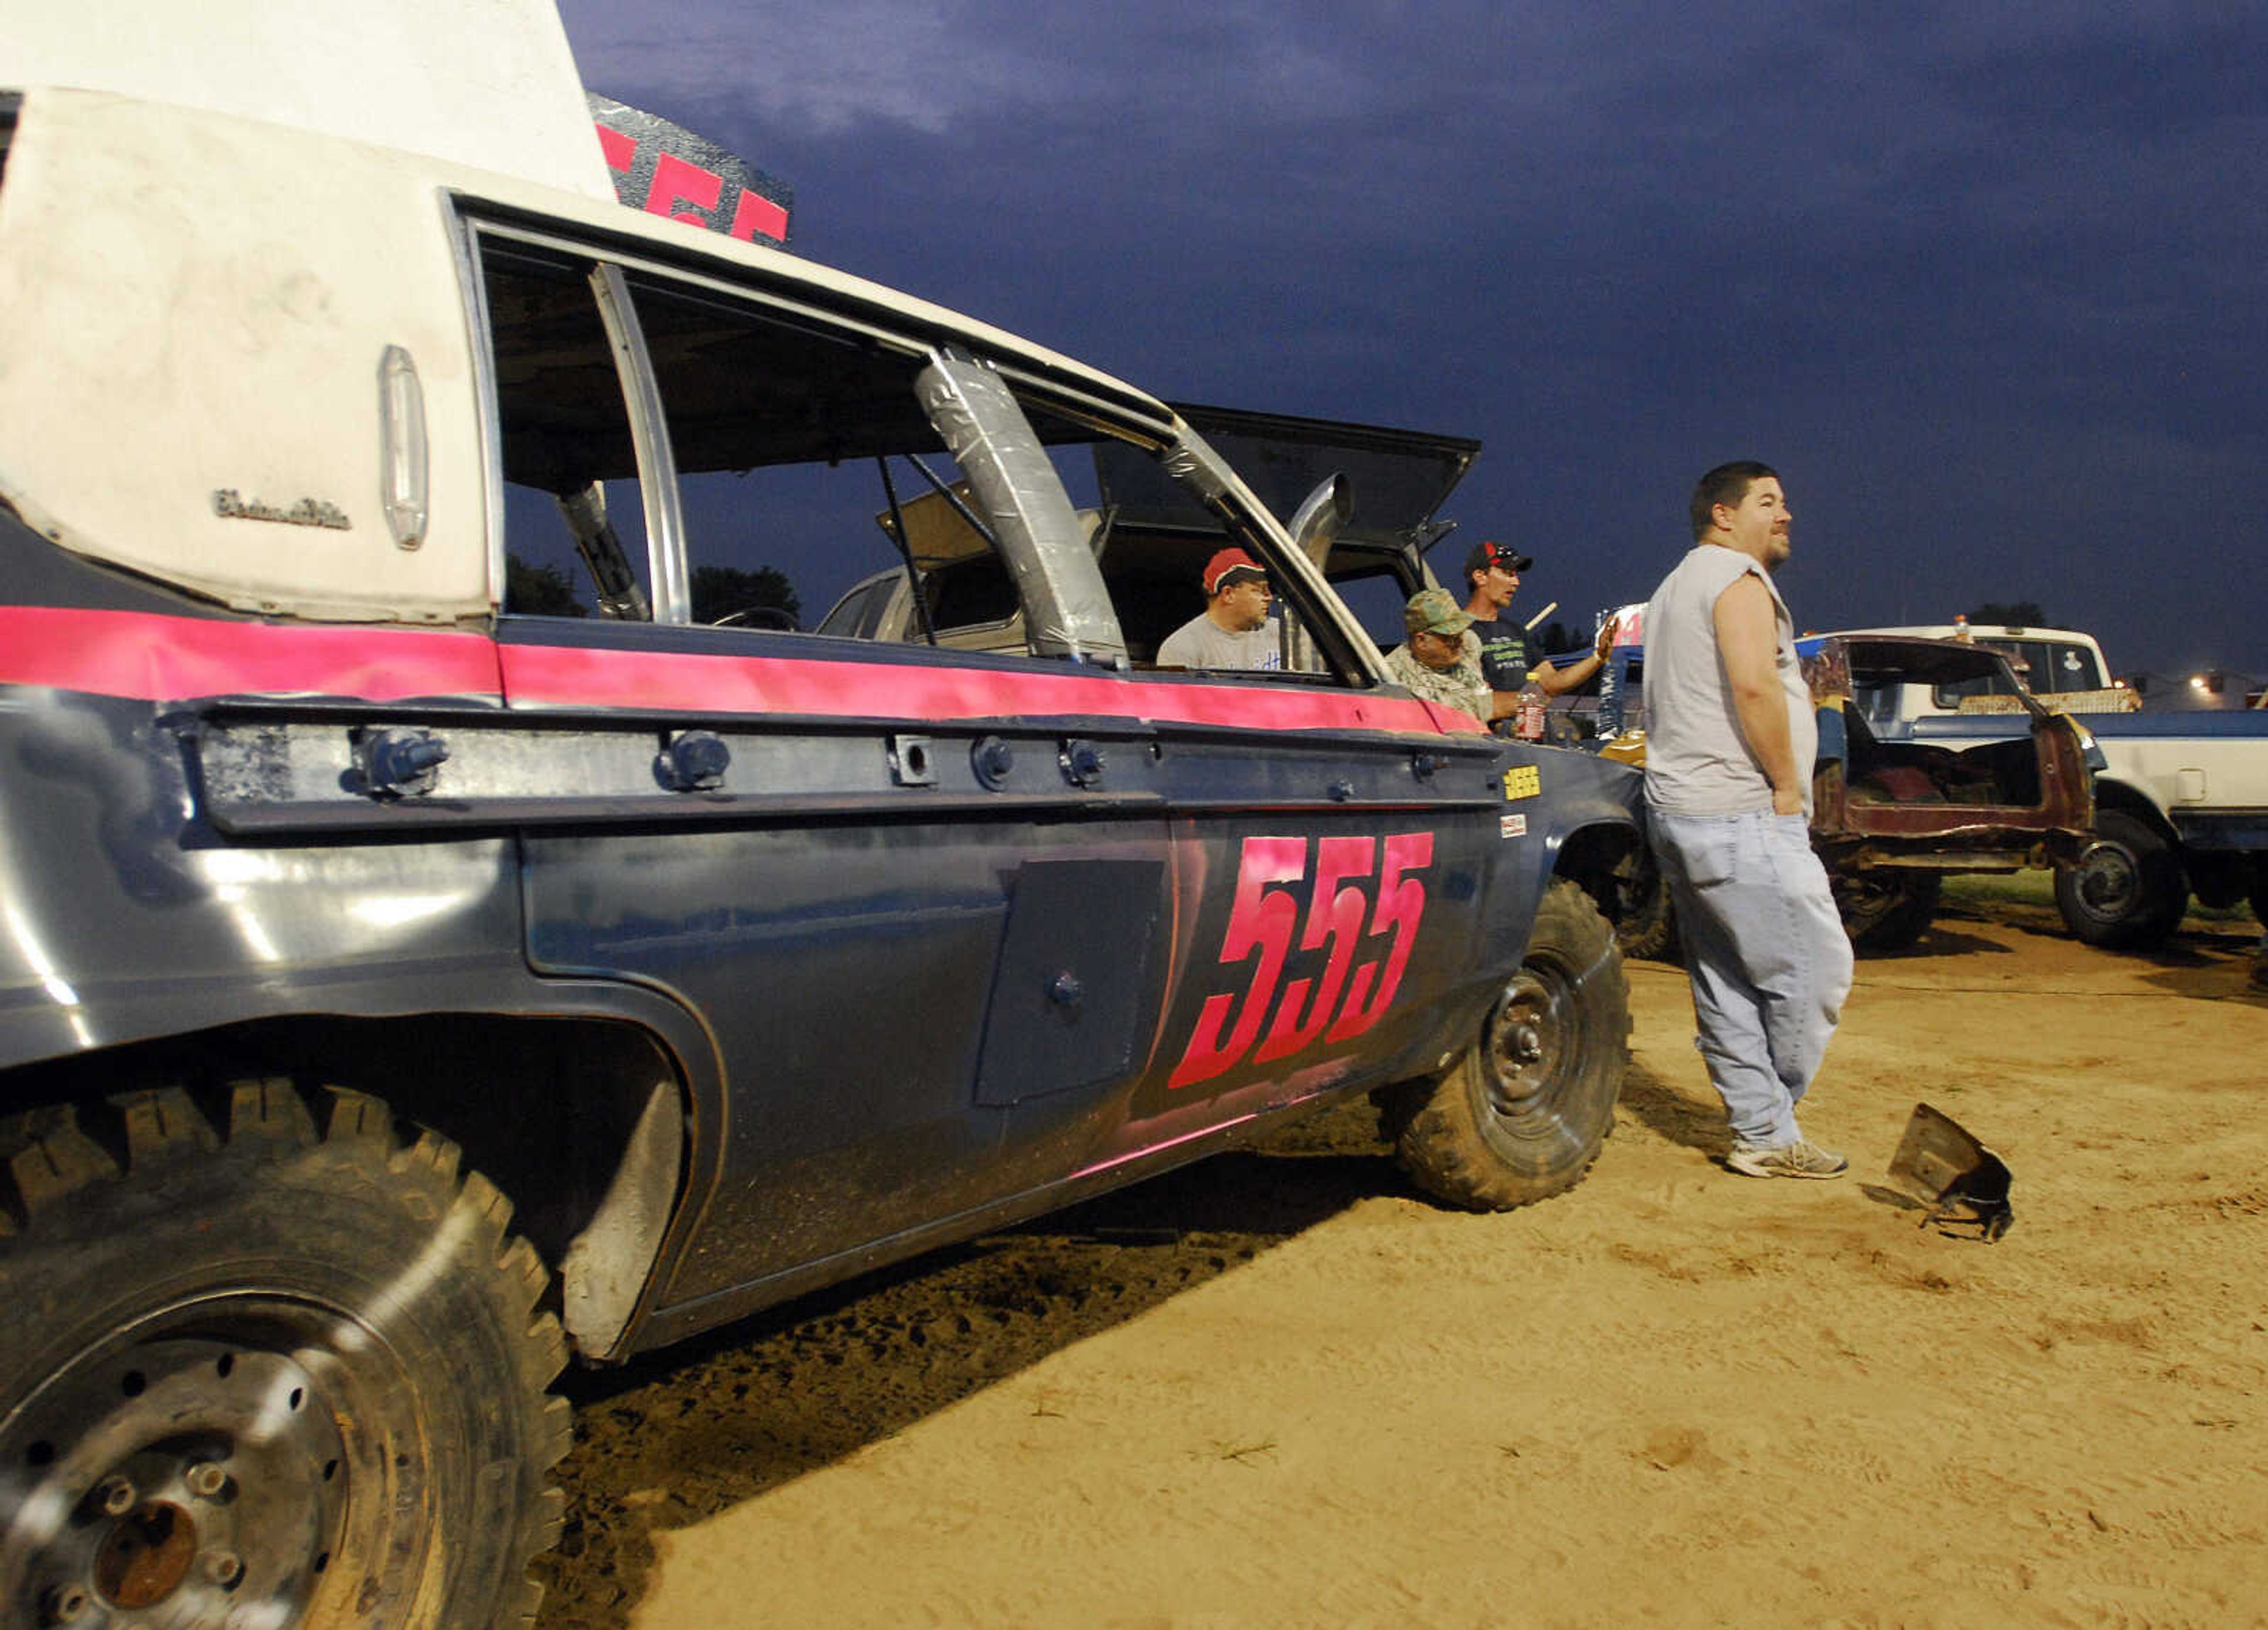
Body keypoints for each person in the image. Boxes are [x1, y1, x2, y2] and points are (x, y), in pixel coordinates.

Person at [1641, 461, 1854, 1179]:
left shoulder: (1674, 585)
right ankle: (1772, 1116)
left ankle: (1762, 1131)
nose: (1786, 514)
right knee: (1817, 971)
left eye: (1786, 501)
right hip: (1740, 811)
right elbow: (1753, 683)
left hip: (1685, 809)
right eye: (1769, 501)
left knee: (1727, 980)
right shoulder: (1737, 578)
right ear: (1723, 516)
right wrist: (1789, 785)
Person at [1461, 539, 1617, 697]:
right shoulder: (1457, 634)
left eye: (1516, 575)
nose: (1516, 582)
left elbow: (1551, 683)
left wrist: (1598, 657)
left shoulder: (1515, 631)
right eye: (1508, 574)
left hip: (1531, 721)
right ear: (1480, 577)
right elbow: (1481, 702)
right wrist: (1528, 702)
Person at [1155, 547, 1281, 670]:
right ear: (1228, 594)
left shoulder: (1282, 635)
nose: (1269, 597)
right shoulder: (1182, 647)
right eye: (1259, 590)